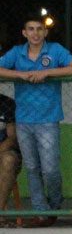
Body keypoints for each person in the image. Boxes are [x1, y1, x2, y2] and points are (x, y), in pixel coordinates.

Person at [0, 16, 72, 224]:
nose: (35, 33)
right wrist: (18, 75)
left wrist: (47, 72)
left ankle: (55, 205)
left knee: (50, 168)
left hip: (48, 120)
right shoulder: (17, 53)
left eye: (39, 29)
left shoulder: (55, 50)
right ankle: (40, 212)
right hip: (23, 120)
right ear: (24, 33)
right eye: (31, 29)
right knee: (31, 167)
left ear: (45, 33)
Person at [0, 92, 21, 220]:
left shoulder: (6, 103)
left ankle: (0, 210)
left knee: (9, 160)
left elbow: (12, 137)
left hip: (3, 151)